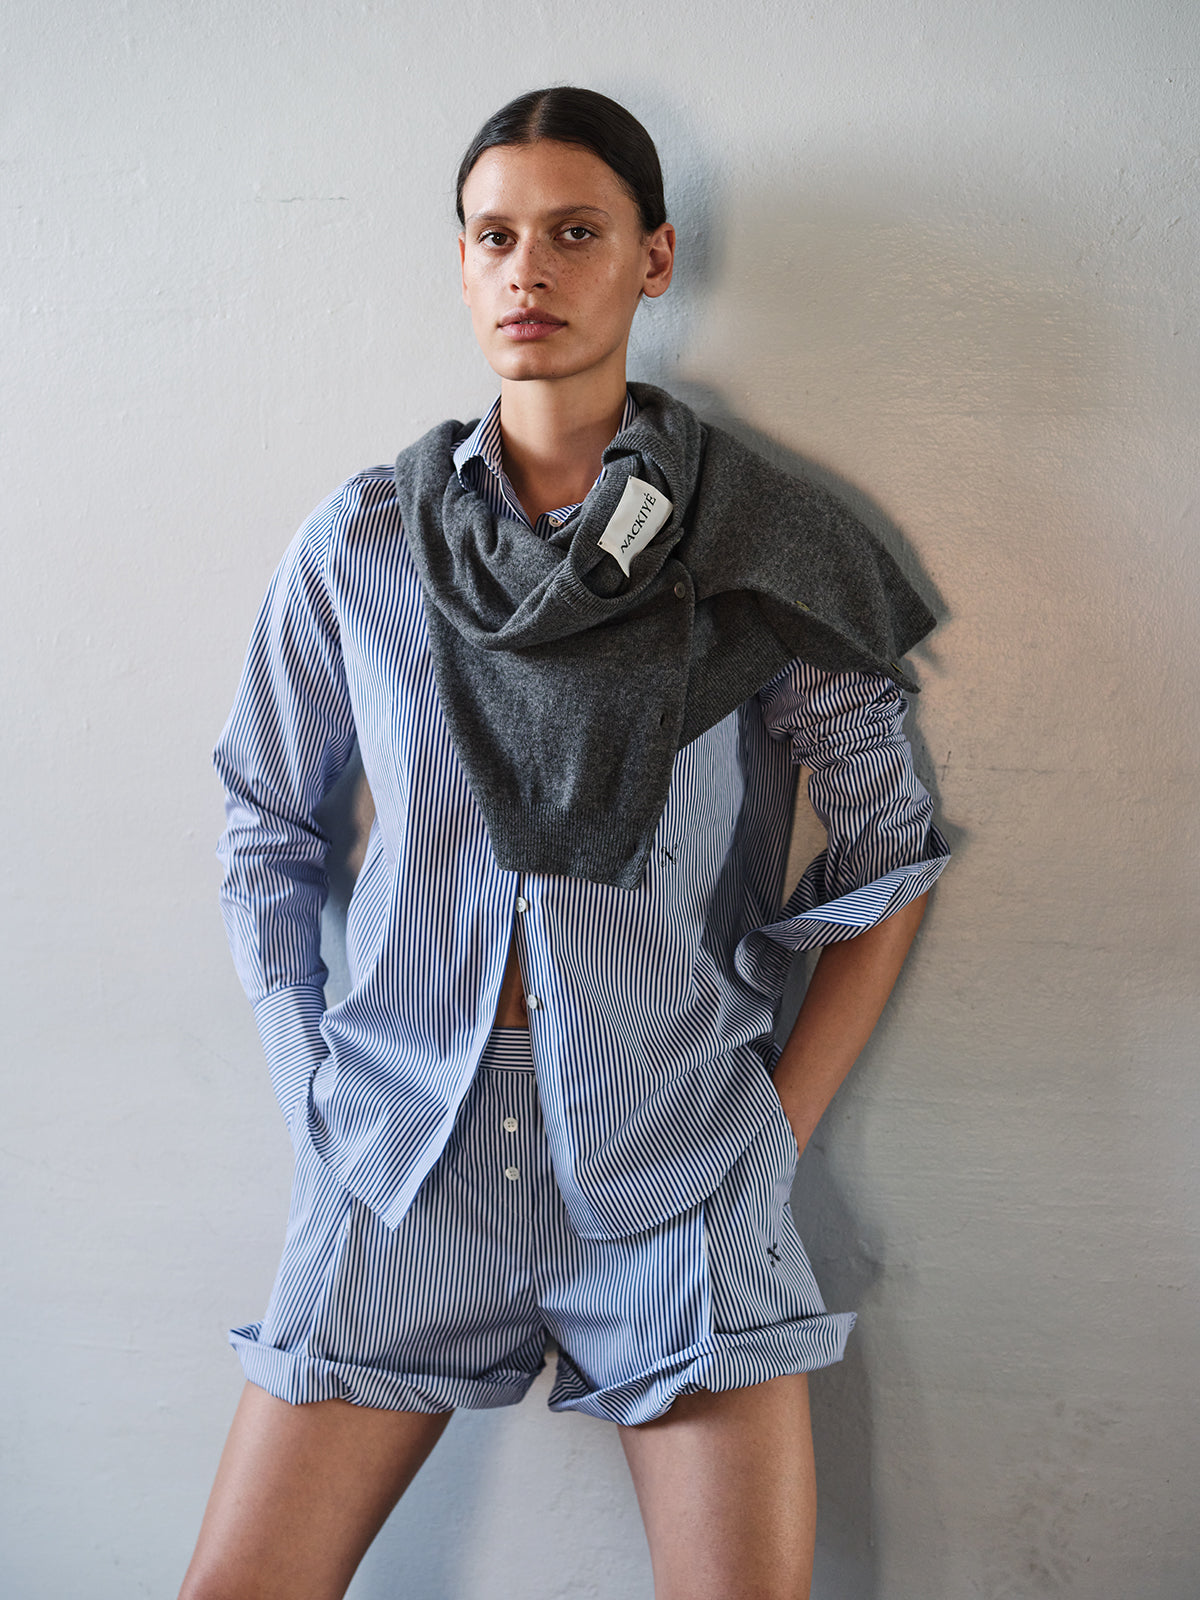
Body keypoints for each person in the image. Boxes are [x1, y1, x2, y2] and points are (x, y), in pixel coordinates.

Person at [179, 86, 949, 1600]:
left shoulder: (759, 544)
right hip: (404, 1155)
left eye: (576, 232)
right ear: (463, 265)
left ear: (653, 259)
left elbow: (888, 843)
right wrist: (313, 1095)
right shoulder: (363, 545)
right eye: (495, 236)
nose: (528, 268)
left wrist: (772, 1137)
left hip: (673, 1154)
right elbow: (264, 819)